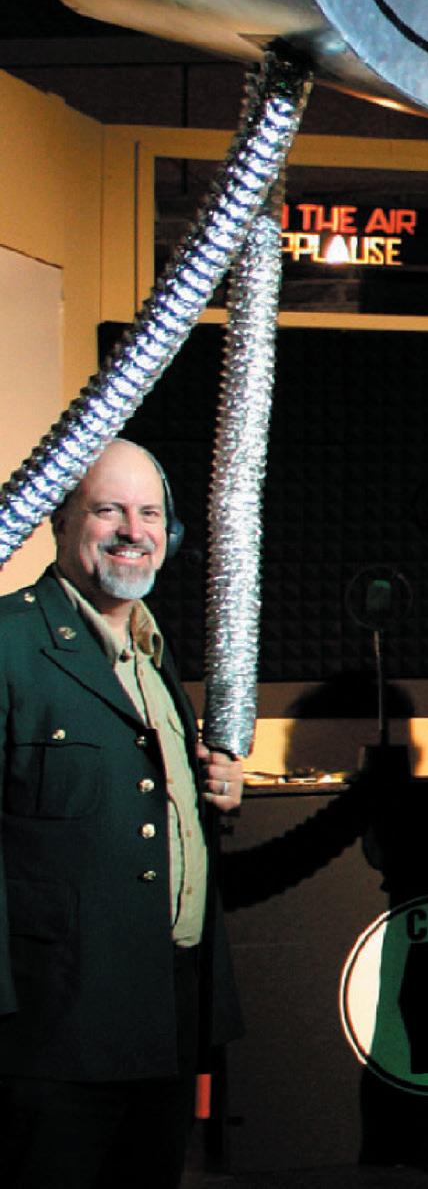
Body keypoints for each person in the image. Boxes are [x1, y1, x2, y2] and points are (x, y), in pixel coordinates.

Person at [0, 440, 245, 1188]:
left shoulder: (151, 649)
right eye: (108, 510)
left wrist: (211, 792)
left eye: (149, 514)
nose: (132, 531)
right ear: (61, 521)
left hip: (166, 1010)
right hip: (54, 1028)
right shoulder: (10, 642)